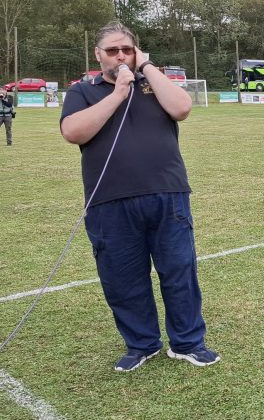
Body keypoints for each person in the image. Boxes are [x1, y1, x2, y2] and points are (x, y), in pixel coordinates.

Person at [60, 21, 218, 372]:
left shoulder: (152, 82)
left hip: (168, 194)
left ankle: (188, 342)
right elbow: (73, 131)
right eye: (113, 50)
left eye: (127, 50)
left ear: (137, 52)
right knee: (122, 278)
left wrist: (146, 68)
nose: (120, 56)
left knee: (179, 271)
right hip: (109, 202)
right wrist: (117, 92)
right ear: (98, 54)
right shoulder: (83, 91)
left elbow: (181, 108)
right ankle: (141, 344)